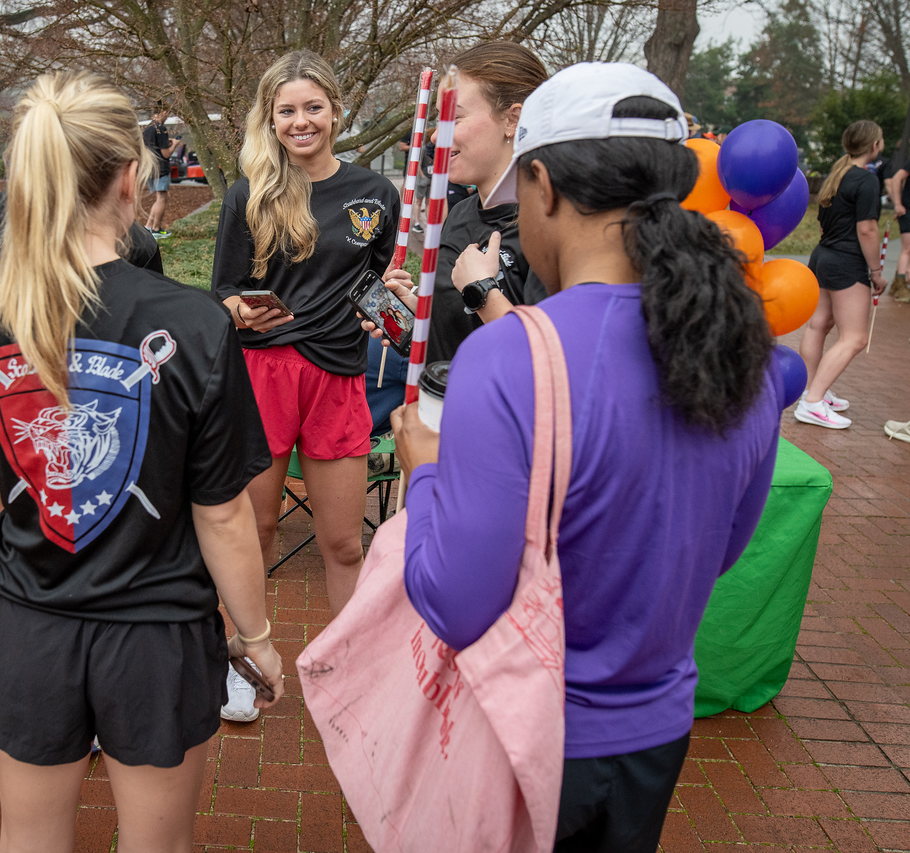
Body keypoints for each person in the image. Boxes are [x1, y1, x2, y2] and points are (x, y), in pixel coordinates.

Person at [391, 62, 782, 853]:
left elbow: (457, 600)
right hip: (657, 730)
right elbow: (724, 546)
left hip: (527, 728)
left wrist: (424, 471)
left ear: (543, 185)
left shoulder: (509, 356)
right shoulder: (746, 349)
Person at [0, 70, 282, 853]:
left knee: (30, 841)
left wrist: (24, 596)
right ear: (131, 178)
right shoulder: (194, 324)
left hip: (27, 624)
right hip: (157, 633)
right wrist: (255, 635)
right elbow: (221, 511)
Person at [0, 190, 164, 789]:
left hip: (97, 424)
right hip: (14, 417)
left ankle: (92, 703)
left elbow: (151, 321)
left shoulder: (135, 238)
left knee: (97, 551)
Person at [211, 50, 399, 621]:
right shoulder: (250, 195)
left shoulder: (375, 194)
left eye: (313, 107)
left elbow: (378, 291)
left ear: (336, 112)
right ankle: (238, 660)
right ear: (270, 118)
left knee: (343, 544)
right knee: (257, 531)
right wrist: (241, 311)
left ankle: (352, 670)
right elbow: (223, 291)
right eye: (286, 110)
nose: (301, 121)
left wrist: (395, 298)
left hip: (339, 375)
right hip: (262, 375)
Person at [383, 42, 550, 364]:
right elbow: (457, 328)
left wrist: (482, 291)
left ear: (513, 120)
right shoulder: (459, 212)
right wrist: (414, 310)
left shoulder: (548, 225)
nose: (435, 137)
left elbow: (549, 363)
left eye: (454, 118)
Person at [796, 119, 888, 429]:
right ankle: (812, 402)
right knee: (856, 337)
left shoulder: (836, 175)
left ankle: (811, 390)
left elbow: (824, 225)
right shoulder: (866, 180)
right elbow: (867, 228)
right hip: (846, 262)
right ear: (874, 145)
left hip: (822, 256)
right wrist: (876, 271)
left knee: (819, 324)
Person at [142, 102, 178, 239]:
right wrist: (174, 144)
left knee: (159, 198)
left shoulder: (148, 128)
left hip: (150, 168)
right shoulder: (160, 128)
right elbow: (166, 154)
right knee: (162, 198)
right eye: (167, 112)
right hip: (161, 168)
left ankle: (149, 226)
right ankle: (156, 229)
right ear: (162, 112)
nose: (168, 116)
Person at [888, 161, 909, 302]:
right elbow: (896, 178)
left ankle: (897, 283)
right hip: (908, 211)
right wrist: (897, 204)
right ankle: (901, 285)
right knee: (908, 249)